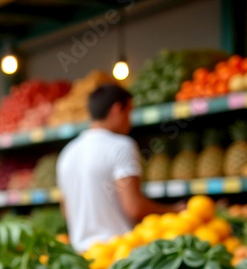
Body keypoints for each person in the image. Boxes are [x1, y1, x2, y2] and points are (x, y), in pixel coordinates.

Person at [56, 84, 181, 252]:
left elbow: (66, 211)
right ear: (116, 110)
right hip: (117, 253)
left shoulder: (67, 153)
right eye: (129, 112)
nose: (130, 121)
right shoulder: (122, 146)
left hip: (82, 256)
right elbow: (134, 207)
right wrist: (174, 210)